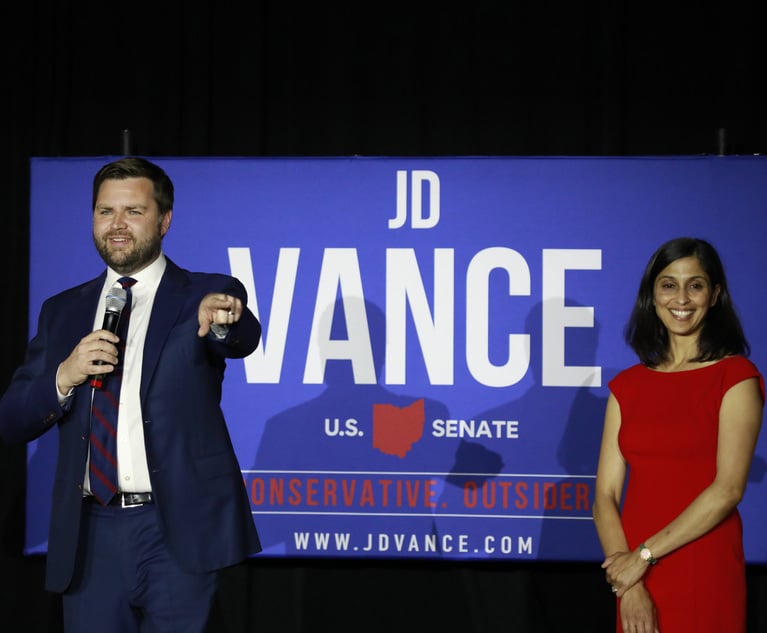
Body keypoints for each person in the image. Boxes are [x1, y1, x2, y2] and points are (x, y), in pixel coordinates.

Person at [0, 156, 262, 632]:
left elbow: (239, 333)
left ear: (164, 220)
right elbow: (12, 418)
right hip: (90, 533)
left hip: (175, 528)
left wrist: (222, 320)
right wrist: (66, 374)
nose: (117, 225)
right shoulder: (62, 311)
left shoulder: (203, 293)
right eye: (105, 212)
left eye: (133, 212)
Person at [592, 236, 765, 633]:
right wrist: (629, 580)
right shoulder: (627, 386)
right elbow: (605, 495)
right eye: (668, 284)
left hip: (703, 565)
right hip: (634, 573)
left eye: (696, 285)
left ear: (715, 294)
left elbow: (727, 490)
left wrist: (645, 556)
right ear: (652, 296)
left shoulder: (736, 378)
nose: (681, 298)